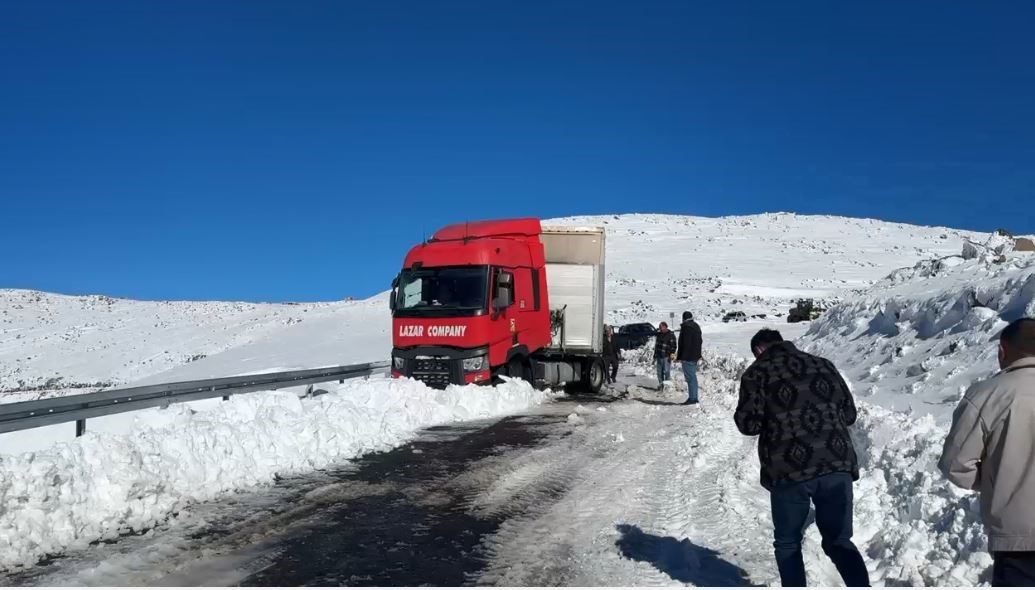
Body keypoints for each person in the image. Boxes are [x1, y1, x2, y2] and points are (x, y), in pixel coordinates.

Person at [734, 329, 869, 588]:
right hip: (836, 462)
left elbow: (748, 424)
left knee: (788, 543)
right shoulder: (823, 364)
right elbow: (850, 414)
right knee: (839, 541)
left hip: (788, 469)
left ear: (759, 350)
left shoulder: (756, 373)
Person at [940, 317, 1035, 587]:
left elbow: (955, 465)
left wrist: (995, 480)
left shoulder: (986, 395)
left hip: (1018, 541)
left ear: (1002, 351)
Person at [676, 311, 703, 405]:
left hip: (688, 357)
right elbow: (700, 341)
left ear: (684, 318)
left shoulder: (686, 328)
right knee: (693, 377)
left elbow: (686, 344)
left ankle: (693, 398)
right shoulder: (696, 326)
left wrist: (682, 357)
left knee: (690, 378)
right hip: (695, 356)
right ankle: (694, 397)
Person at [654, 322, 677, 389]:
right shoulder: (659, 335)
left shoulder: (670, 335)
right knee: (659, 372)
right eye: (660, 327)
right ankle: (661, 385)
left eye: (661, 327)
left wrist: (671, 354)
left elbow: (674, 346)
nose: (660, 329)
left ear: (665, 327)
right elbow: (656, 346)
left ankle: (667, 387)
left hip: (666, 356)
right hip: (659, 356)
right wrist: (655, 355)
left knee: (666, 372)